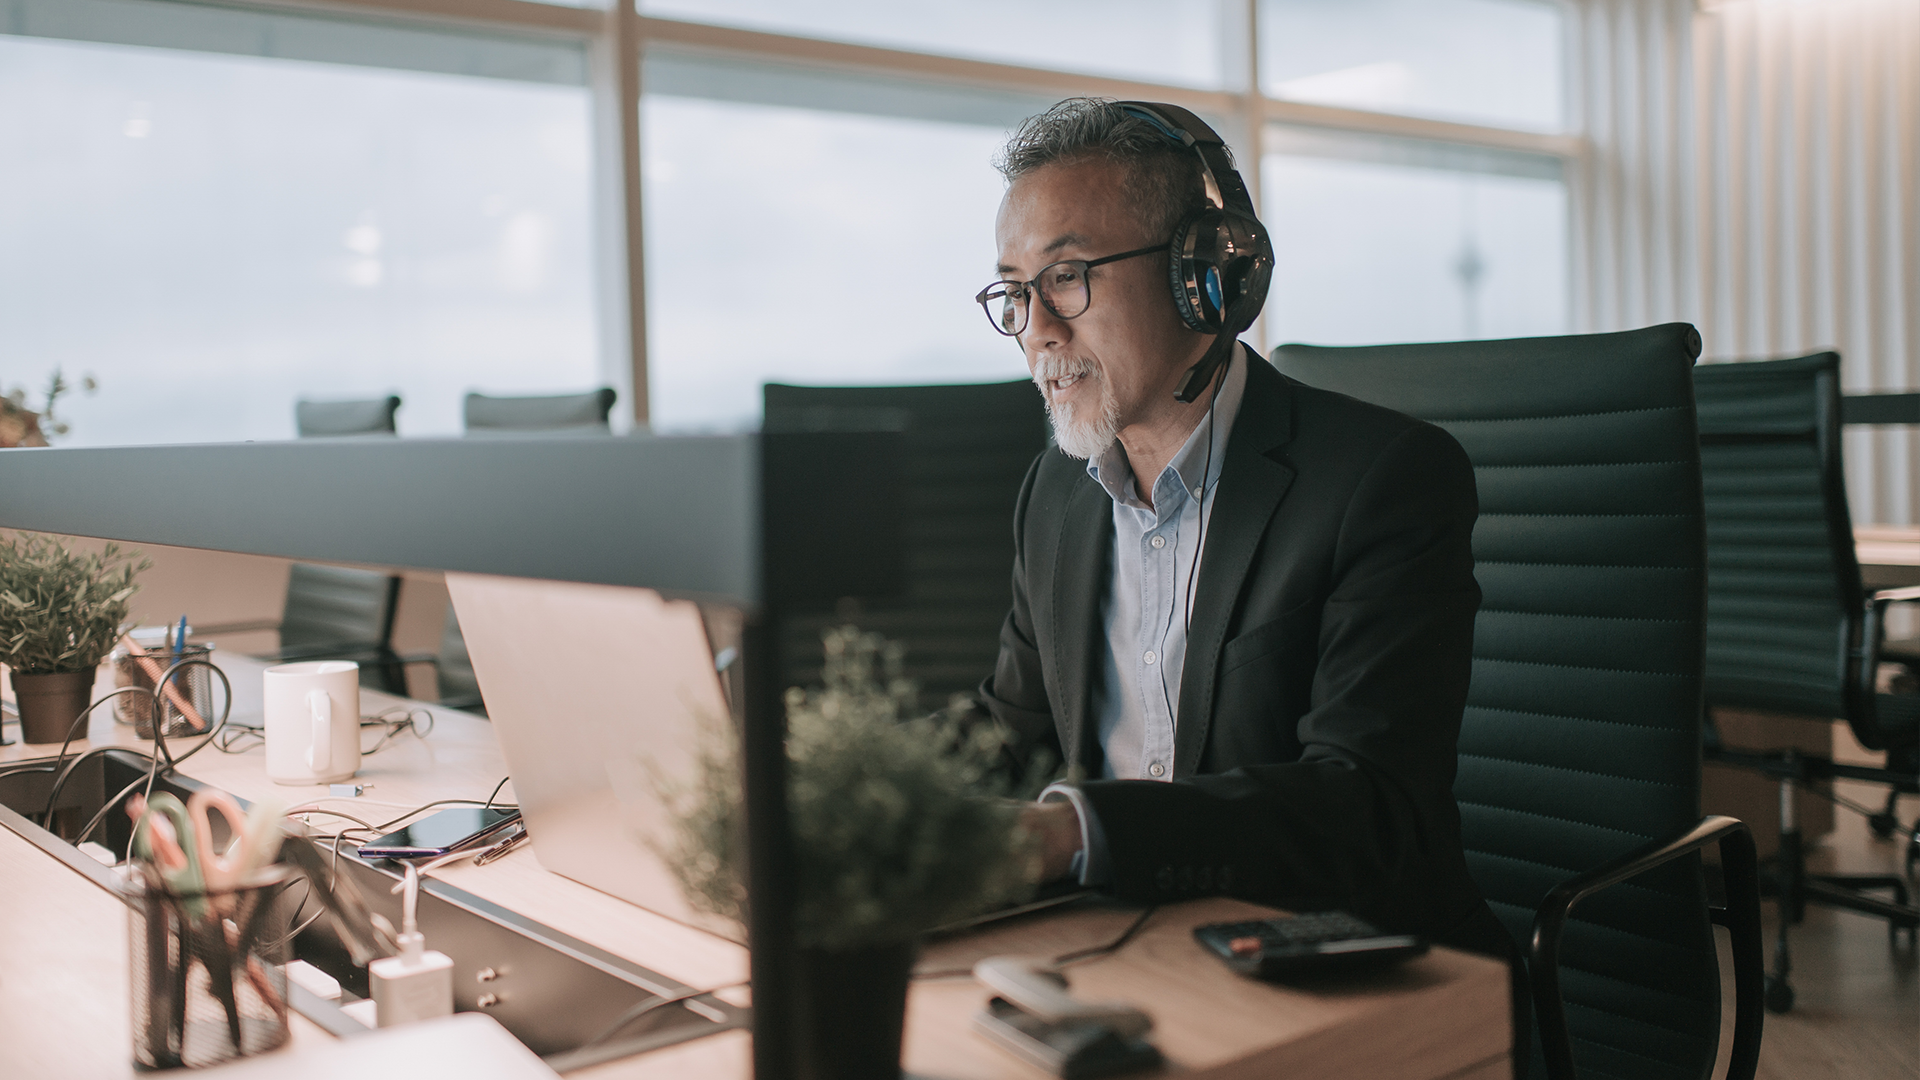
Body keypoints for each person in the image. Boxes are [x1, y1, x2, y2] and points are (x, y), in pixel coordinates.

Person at [973, 96, 1522, 1027]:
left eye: (1066, 278)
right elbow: (1011, 730)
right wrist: (859, 790)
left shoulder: (1382, 480)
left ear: (1206, 275)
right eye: (1015, 292)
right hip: (1125, 952)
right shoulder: (1056, 497)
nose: (1036, 330)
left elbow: (1368, 807)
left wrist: (1078, 834)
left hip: (1343, 976)